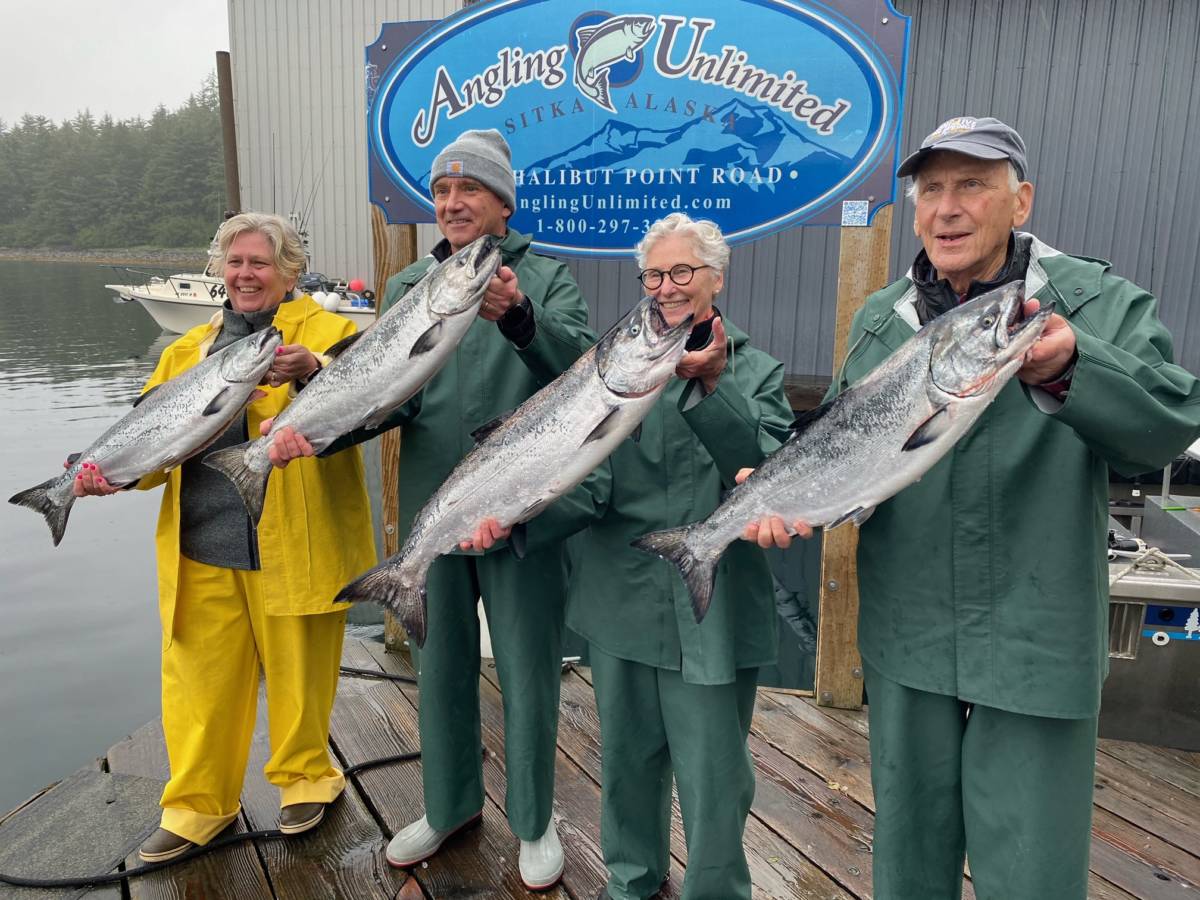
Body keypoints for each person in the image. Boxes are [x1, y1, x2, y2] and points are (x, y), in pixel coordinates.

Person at [743, 116, 1200, 900]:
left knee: (1031, 872)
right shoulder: (883, 318)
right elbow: (855, 458)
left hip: (1035, 635)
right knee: (910, 860)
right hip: (908, 636)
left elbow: (1165, 423)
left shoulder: (1095, 302)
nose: (947, 208)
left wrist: (1071, 368)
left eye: (972, 185)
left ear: (1020, 201)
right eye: (931, 189)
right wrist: (791, 498)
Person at [268, 129, 594, 890]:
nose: (451, 203)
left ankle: (536, 820)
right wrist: (321, 425)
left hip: (521, 515)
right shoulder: (409, 283)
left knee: (528, 672)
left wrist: (519, 317)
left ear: (503, 206)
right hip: (431, 517)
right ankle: (449, 806)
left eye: (468, 191)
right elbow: (391, 396)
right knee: (438, 667)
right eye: (442, 192)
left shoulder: (545, 276)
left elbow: (581, 374)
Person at [495, 213, 791, 899]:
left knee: (716, 778)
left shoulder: (760, 371)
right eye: (654, 275)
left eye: (682, 272)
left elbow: (767, 470)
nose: (667, 287)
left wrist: (711, 387)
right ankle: (631, 882)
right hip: (620, 598)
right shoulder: (617, 367)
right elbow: (590, 484)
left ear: (717, 277)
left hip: (710, 613)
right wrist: (515, 521)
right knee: (627, 764)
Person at [74, 212, 377, 862]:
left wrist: (314, 370)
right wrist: (113, 478)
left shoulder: (331, 332)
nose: (244, 274)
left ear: (289, 272)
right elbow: (151, 451)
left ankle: (305, 779)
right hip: (201, 543)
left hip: (292, 543)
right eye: (234, 262)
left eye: (259, 263)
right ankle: (197, 805)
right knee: (198, 684)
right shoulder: (184, 353)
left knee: (300, 671)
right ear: (219, 271)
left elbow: (367, 406)